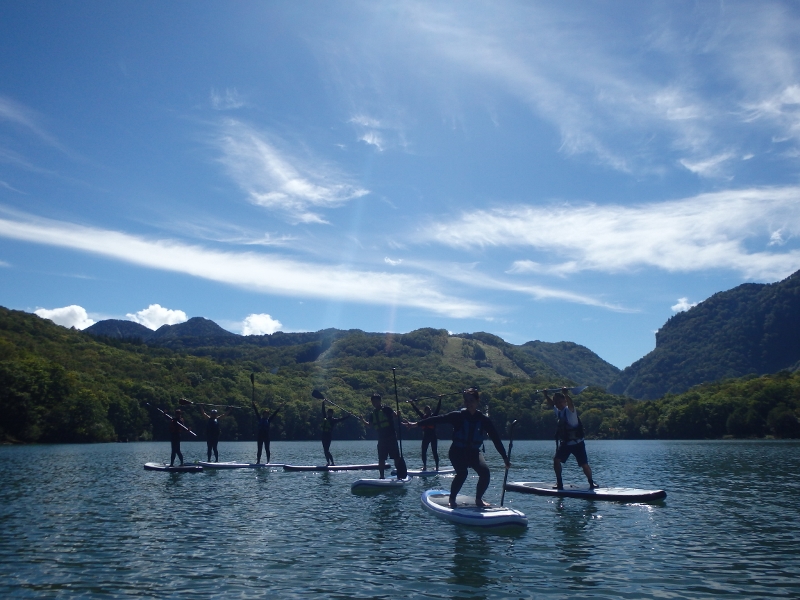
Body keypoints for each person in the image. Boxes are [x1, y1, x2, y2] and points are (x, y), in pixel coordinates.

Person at [409, 388, 510, 508]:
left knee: (485, 473)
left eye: (471, 400)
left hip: (474, 452)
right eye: (466, 401)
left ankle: (478, 499)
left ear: (477, 401)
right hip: (457, 452)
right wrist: (417, 424)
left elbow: (496, 439)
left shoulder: (484, 420)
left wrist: (505, 458)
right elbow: (438, 419)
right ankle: (452, 499)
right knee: (462, 473)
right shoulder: (458, 416)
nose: (468, 403)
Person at [544, 387, 598, 490]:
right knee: (556, 460)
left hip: (578, 443)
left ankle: (591, 482)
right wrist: (546, 395)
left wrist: (566, 394)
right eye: (557, 402)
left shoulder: (570, 411)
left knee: (584, 464)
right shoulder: (559, 411)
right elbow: (552, 404)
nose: (558, 404)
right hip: (566, 444)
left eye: (560, 402)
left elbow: (571, 403)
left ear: (564, 401)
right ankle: (559, 483)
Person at [362, 393, 401, 479]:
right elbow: (369, 425)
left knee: (396, 457)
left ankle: (399, 474)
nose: (374, 403)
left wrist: (398, 414)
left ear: (380, 401)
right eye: (373, 402)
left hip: (391, 436)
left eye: (376, 401)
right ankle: (381, 476)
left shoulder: (387, 409)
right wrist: (362, 420)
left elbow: (395, 416)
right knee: (381, 458)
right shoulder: (373, 414)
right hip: (381, 438)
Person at [408, 396, 443, 470]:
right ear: (425, 411)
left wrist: (440, 399)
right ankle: (424, 466)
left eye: (429, 409)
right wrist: (412, 404)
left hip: (433, 436)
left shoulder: (434, 416)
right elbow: (417, 411)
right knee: (423, 451)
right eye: (427, 410)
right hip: (426, 436)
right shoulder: (423, 417)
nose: (429, 411)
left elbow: (438, 409)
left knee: (434, 452)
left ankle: (437, 467)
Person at [320, 400, 350, 466]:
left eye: (330, 413)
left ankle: (333, 463)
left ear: (332, 413)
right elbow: (323, 411)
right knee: (325, 450)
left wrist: (348, 416)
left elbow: (341, 419)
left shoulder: (333, 420)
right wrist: (323, 403)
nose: (328, 413)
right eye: (328, 412)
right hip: (323, 435)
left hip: (328, 436)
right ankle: (328, 462)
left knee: (327, 450)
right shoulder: (325, 418)